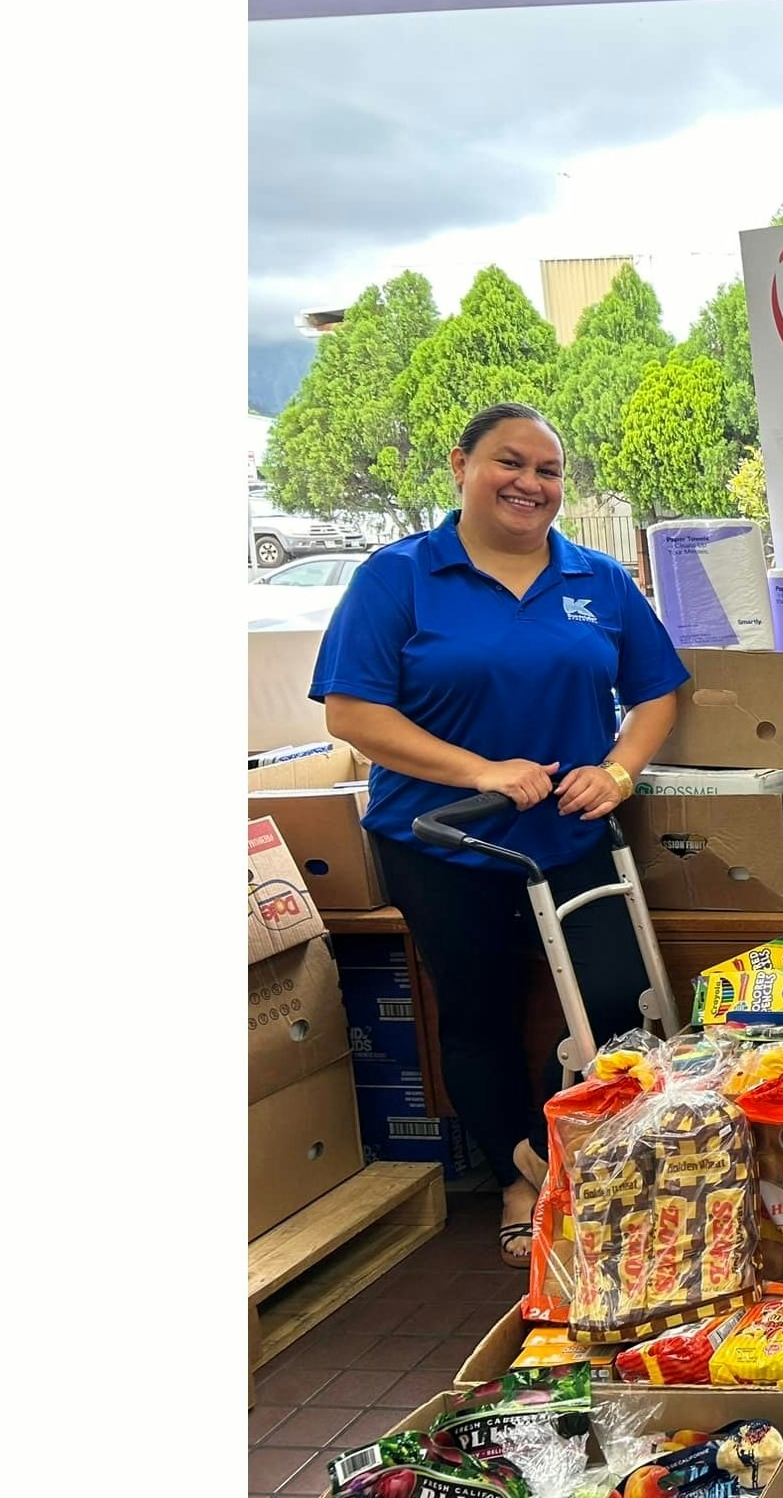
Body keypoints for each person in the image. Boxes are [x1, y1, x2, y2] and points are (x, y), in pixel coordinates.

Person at [310, 403, 689, 1267]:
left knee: (614, 1008)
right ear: (461, 465)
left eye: (548, 471)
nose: (530, 484)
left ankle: (635, 1170)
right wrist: (476, 769)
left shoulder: (597, 579)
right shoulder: (398, 577)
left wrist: (620, 770)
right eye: (509, 463)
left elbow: (657, 692)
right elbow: (352, 711)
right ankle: (520, 1179)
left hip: (571, 833)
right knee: (478, 1016)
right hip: (446, 841)